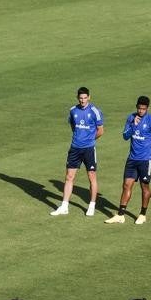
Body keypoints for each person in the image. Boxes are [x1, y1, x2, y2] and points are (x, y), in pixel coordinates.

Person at [107, 96, 151, 224]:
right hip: (132, 159)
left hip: (145, 160)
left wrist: (149, 148)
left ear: (147, 108)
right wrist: (133, 125)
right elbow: (125, 136)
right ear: (136, 107)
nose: (141, 111)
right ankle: (121, 215)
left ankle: (142, 214)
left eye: (143, 109)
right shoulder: (131, 118)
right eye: (139, 108)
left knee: (144, 187)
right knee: (126, 185)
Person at [52, 87, 103, 217]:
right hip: (75, 148)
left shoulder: (95, 111)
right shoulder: (73, 111)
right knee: (69, 177)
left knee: (91, 176)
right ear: (77, 98)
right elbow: (73, 126)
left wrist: (89, 139)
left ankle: (91, 205)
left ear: (89, 97)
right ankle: (64, 206)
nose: (82, 100)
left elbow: (100, 130)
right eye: (80, 98)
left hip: (89, 149)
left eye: (85, 98)